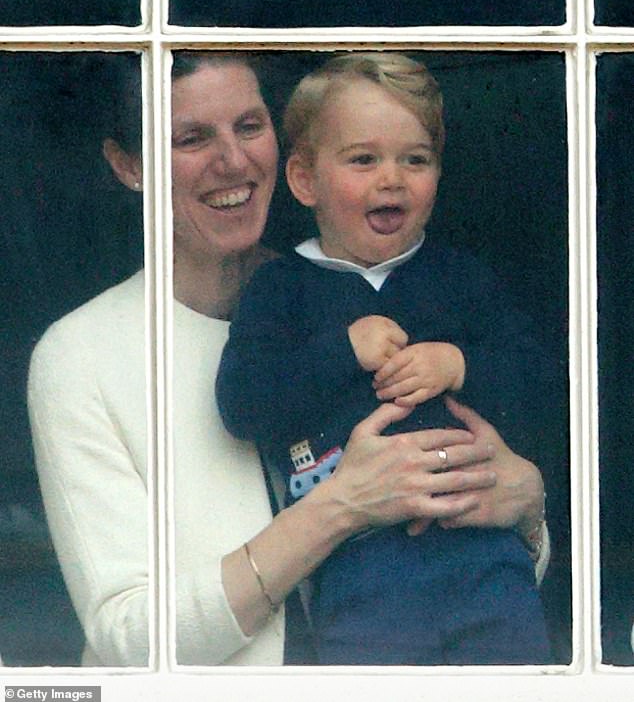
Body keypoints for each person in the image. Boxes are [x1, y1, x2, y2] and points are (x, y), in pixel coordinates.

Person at [27, 51, 549, 667]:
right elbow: (129, 639)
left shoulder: (352, 292)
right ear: (129, 165)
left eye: (249, 127)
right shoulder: (80, 356)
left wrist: (528, 505)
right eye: (191, 138)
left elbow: (480, 575)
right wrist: (342, 507)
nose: (233, 161)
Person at [217, 52, 554, 664]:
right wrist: (343, 350)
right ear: (304, 180)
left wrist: (459, 364)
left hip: (485, 554)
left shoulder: (462, 277)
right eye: (363, 159)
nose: (392, 178)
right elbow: (244, 402)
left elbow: (541, 385)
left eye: (415, 159)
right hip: (360, 566)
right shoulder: (281, 289)